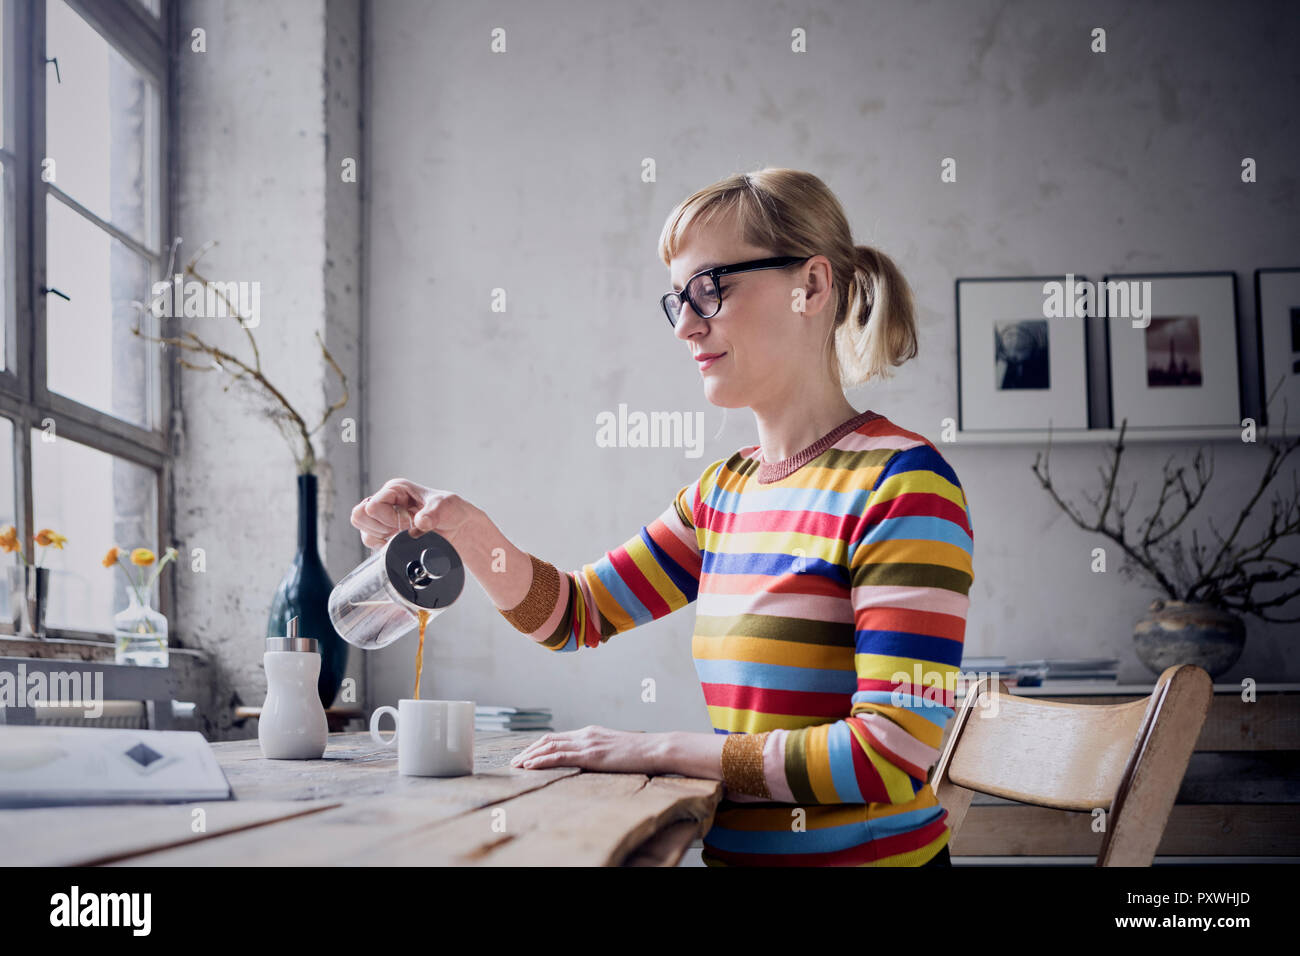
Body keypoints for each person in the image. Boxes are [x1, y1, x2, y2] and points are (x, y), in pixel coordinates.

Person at [351, 167, 974, 867]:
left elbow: (892, 752)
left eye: (712, 287)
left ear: (814, 286)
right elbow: (574, 613)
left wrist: (654, 749)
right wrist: (460, 526)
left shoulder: (903, 484)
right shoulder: (723, 493)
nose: (685, 324)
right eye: (677, 298)